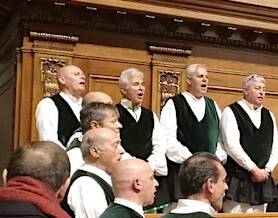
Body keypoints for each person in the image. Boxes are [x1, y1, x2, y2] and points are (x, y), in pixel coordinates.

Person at [220, 75, 278, 218]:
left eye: (263, 89)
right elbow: (231, 145)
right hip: (239, 176)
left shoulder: (269, 115)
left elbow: (275, 146)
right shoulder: (231, 111)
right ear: (245, 91)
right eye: (257, 88)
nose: (262, 92)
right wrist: (253, 169)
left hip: (262, 178)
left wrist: (266, 170)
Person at [160, 63, 227, 203]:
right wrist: (193, 161)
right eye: (200, 76)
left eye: (206, 77)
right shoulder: (174, 104)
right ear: (189, 80)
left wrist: (214, 160)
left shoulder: (212, 105)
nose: (205, 80)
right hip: (182, 173)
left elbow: (221, 140)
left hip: (209, 176)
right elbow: (167, 139)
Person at [116, 68, 168, 206]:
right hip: (126, 173)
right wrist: (135, 166)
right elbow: (115, 144)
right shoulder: (115, 113)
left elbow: (159, 144)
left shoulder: (150, 115)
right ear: (123, 89)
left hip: (150, 173)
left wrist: (149, 165)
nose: (141, 88)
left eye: (142, 84)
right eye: (135, 84)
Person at [63, 127, 125, 218]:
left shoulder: (99, 180)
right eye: (115, 146)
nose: (122, 151)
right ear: (95, 151)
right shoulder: (86, 185)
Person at [35, 64, 86, 147]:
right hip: (62, 158)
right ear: (62, 80)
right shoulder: (48, 104)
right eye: (77, 74)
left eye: (83, 74)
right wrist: (71, 157)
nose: (83, 77)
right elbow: (48, 140)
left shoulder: (88, 105)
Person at [67, 101, 123, 175]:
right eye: (113, 121)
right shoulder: (75, 155)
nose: (120, 125)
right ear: (95, 125)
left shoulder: (111, 145)